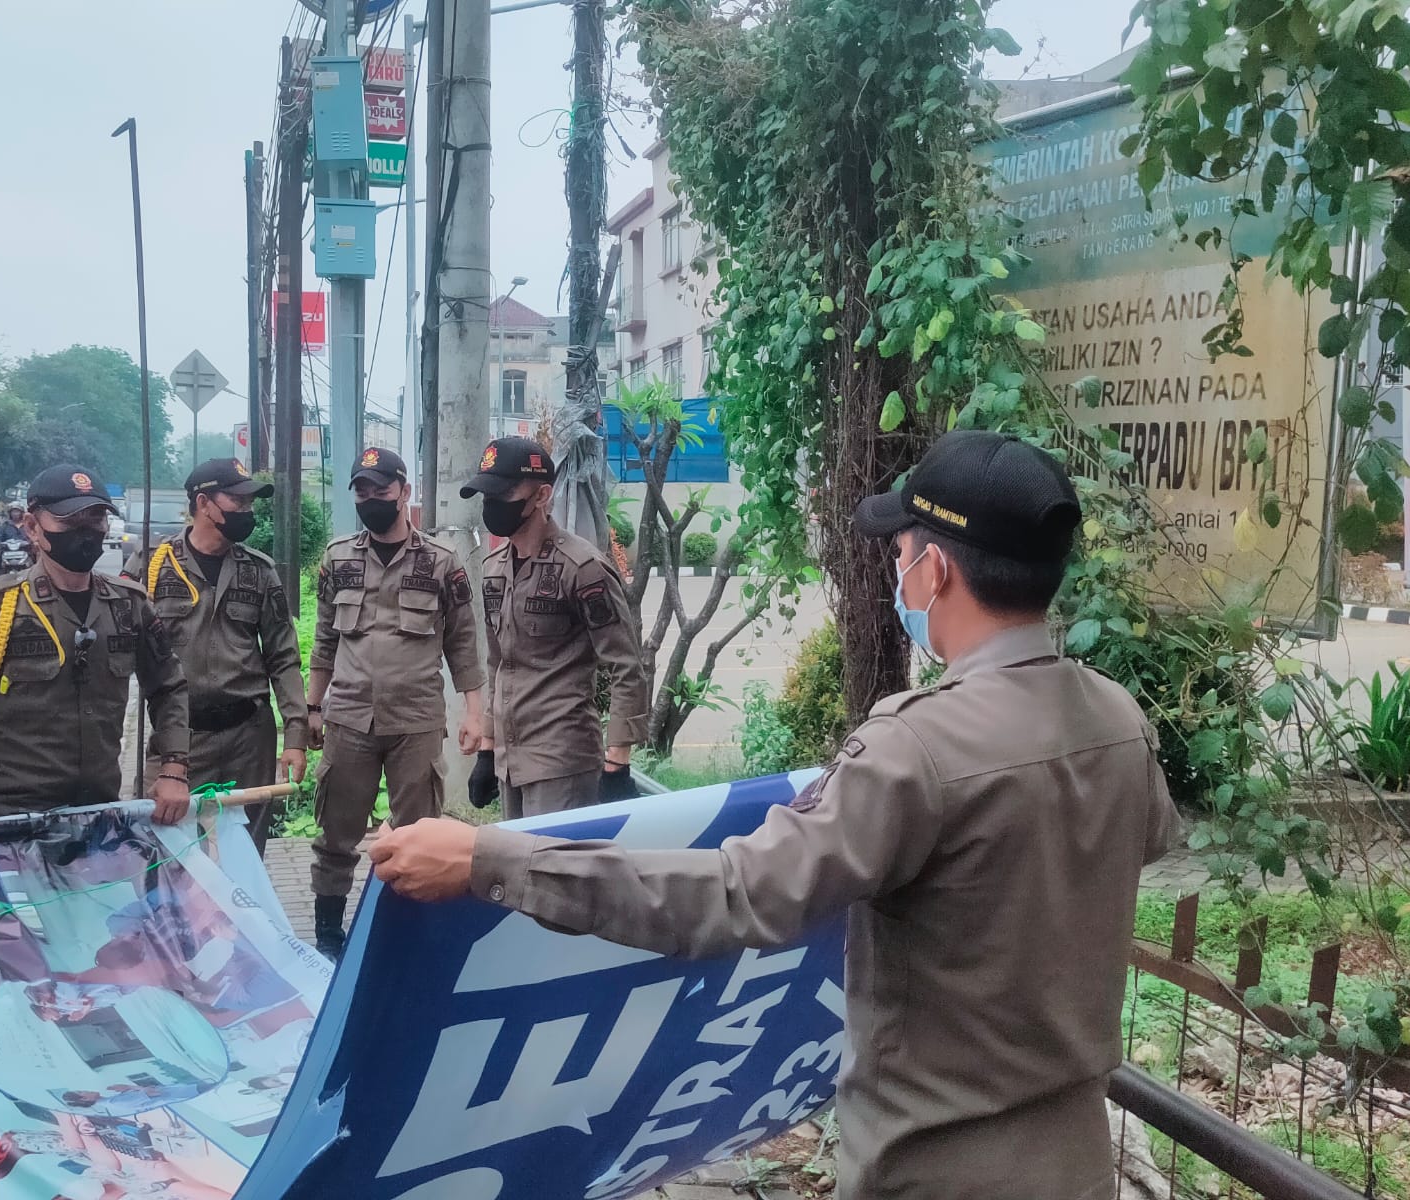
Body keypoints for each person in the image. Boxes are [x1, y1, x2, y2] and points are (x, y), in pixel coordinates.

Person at [369, 430, 1183, 1200]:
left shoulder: (916, 749)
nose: (897, 574)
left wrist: (490, 861)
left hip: (933, 1168)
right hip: (1071, 1162)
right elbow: (1118, 852)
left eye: (898, 555)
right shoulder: (1115, 717)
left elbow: (732, 895)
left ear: (933, 570)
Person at [0, 465, 192, 845]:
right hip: (10, 816)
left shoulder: (129, 605)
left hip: (97, 813)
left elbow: (168, 686)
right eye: (69, 520)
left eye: (95, 518)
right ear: (31, 526)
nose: (86, 531)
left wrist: (173, 769)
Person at [305, 447, 483, 960]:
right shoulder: (337, 560)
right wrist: (313, 710)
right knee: (335, 836)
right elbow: (324, 642)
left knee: (417, 836)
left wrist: (474, 712)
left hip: (416, 723)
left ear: (404, 492)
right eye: (362, 490)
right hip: (349, 721)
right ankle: (326, 938)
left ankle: (410, 939)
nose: (370, 499)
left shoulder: (441, 564)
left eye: (380, 490)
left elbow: (463, 645)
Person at [120, 458, 308, 857]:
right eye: (237, 501)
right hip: (179, 740)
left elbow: (283, 657)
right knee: (165, 851)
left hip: (249, 737)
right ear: (204, 503)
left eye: (249, 502)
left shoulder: (259, 571)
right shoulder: (150, 566)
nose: (247, 511)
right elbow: (118, 650)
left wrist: (295, 735)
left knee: (245, 854)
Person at [457, 437, 647, 818]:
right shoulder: (493, 569)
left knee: (554, 873)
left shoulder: (582, 567)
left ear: (542, 495)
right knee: (516, 875)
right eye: (487, 493)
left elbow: (626, 667)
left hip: (563, 763)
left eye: (504, 492)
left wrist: (617, 763)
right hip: (510, 762)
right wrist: (487, 750)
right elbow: (498, 664)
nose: (493, 503)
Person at [0, 502, 28, 578]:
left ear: (22, 513)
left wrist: (33, 542)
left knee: (41, 564)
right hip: (6, 553)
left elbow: (35, 535)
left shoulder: (28, 525)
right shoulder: (4, 525)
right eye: (13, 512)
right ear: (10, 513)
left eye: (17, 511)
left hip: (27, 552)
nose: (15, 514)